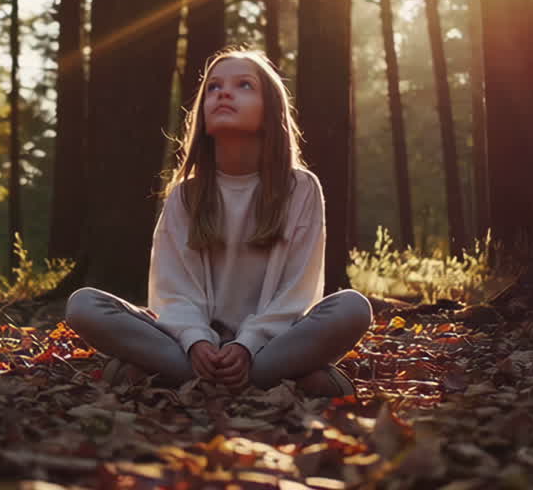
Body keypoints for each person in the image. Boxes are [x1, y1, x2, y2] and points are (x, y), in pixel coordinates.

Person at [65, 49, 372, 395]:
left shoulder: (300, 188)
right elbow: (172, 292)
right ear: (202, 116)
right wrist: (196, 342)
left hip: (272, 342)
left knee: (353, 308)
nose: (223, 93)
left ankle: (170, 375)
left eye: (243, 85)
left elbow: (297, 293)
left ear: (271, 111)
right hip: (192, 343)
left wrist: (247, 345)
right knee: (84, 304)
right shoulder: (184, 196)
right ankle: (276, 380)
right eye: (213, 87)